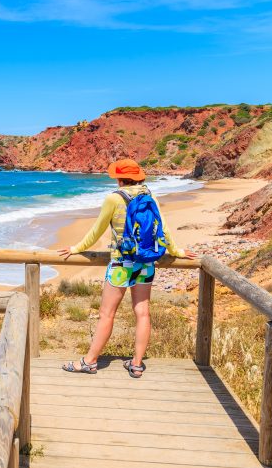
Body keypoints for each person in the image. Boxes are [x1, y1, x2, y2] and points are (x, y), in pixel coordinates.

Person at [59, 159, 196, 378]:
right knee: (142, 313)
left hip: (121, 263)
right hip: (146, 262)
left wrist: (76, 248)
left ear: (120, 177)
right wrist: (177, 251)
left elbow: (96, 231)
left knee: (107, 314)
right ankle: (137, 364)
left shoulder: (114, 198)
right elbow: (163, 231)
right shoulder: (151, 197)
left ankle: (89, 361)